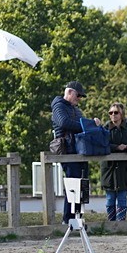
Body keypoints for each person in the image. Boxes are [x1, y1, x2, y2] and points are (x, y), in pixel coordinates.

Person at [50, 80, 98, 224]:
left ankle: (77, 217)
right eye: (78, 95)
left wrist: (91, 123)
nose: (79, 99)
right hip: (67, 149)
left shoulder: (74, 109)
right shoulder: (59, 106)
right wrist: (86, 126)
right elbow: (64, 123)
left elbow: (80, 123)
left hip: (77, 149)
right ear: (70, 92)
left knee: (81, 183)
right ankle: (68, 218)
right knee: (72, 183)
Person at [102, 103, 127, 220]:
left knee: (122, 198)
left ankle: (121, 224)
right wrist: (117, 147)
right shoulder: (105, 128)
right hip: (109, 169)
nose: (113, 115)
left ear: (121, 114)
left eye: (116, 112)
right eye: (111, 113)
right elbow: (101, 146)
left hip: (124, 169)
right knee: (110, 198)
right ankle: (111, 223)